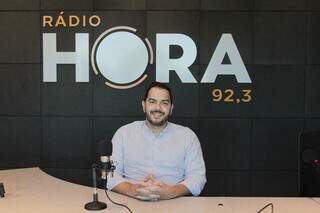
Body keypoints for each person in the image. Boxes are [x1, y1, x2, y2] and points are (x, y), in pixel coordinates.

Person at [107, 82, 206, 201]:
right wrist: (132, 190)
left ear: (171, 108)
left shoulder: (187, 136)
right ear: (144, 105)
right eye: (152, 102)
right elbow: (109, 175)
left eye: (164, 103)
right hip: (129, 201)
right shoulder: (124, 133)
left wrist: (171, 192)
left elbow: (198, 178)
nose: (157, 108)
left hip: (175, 202)